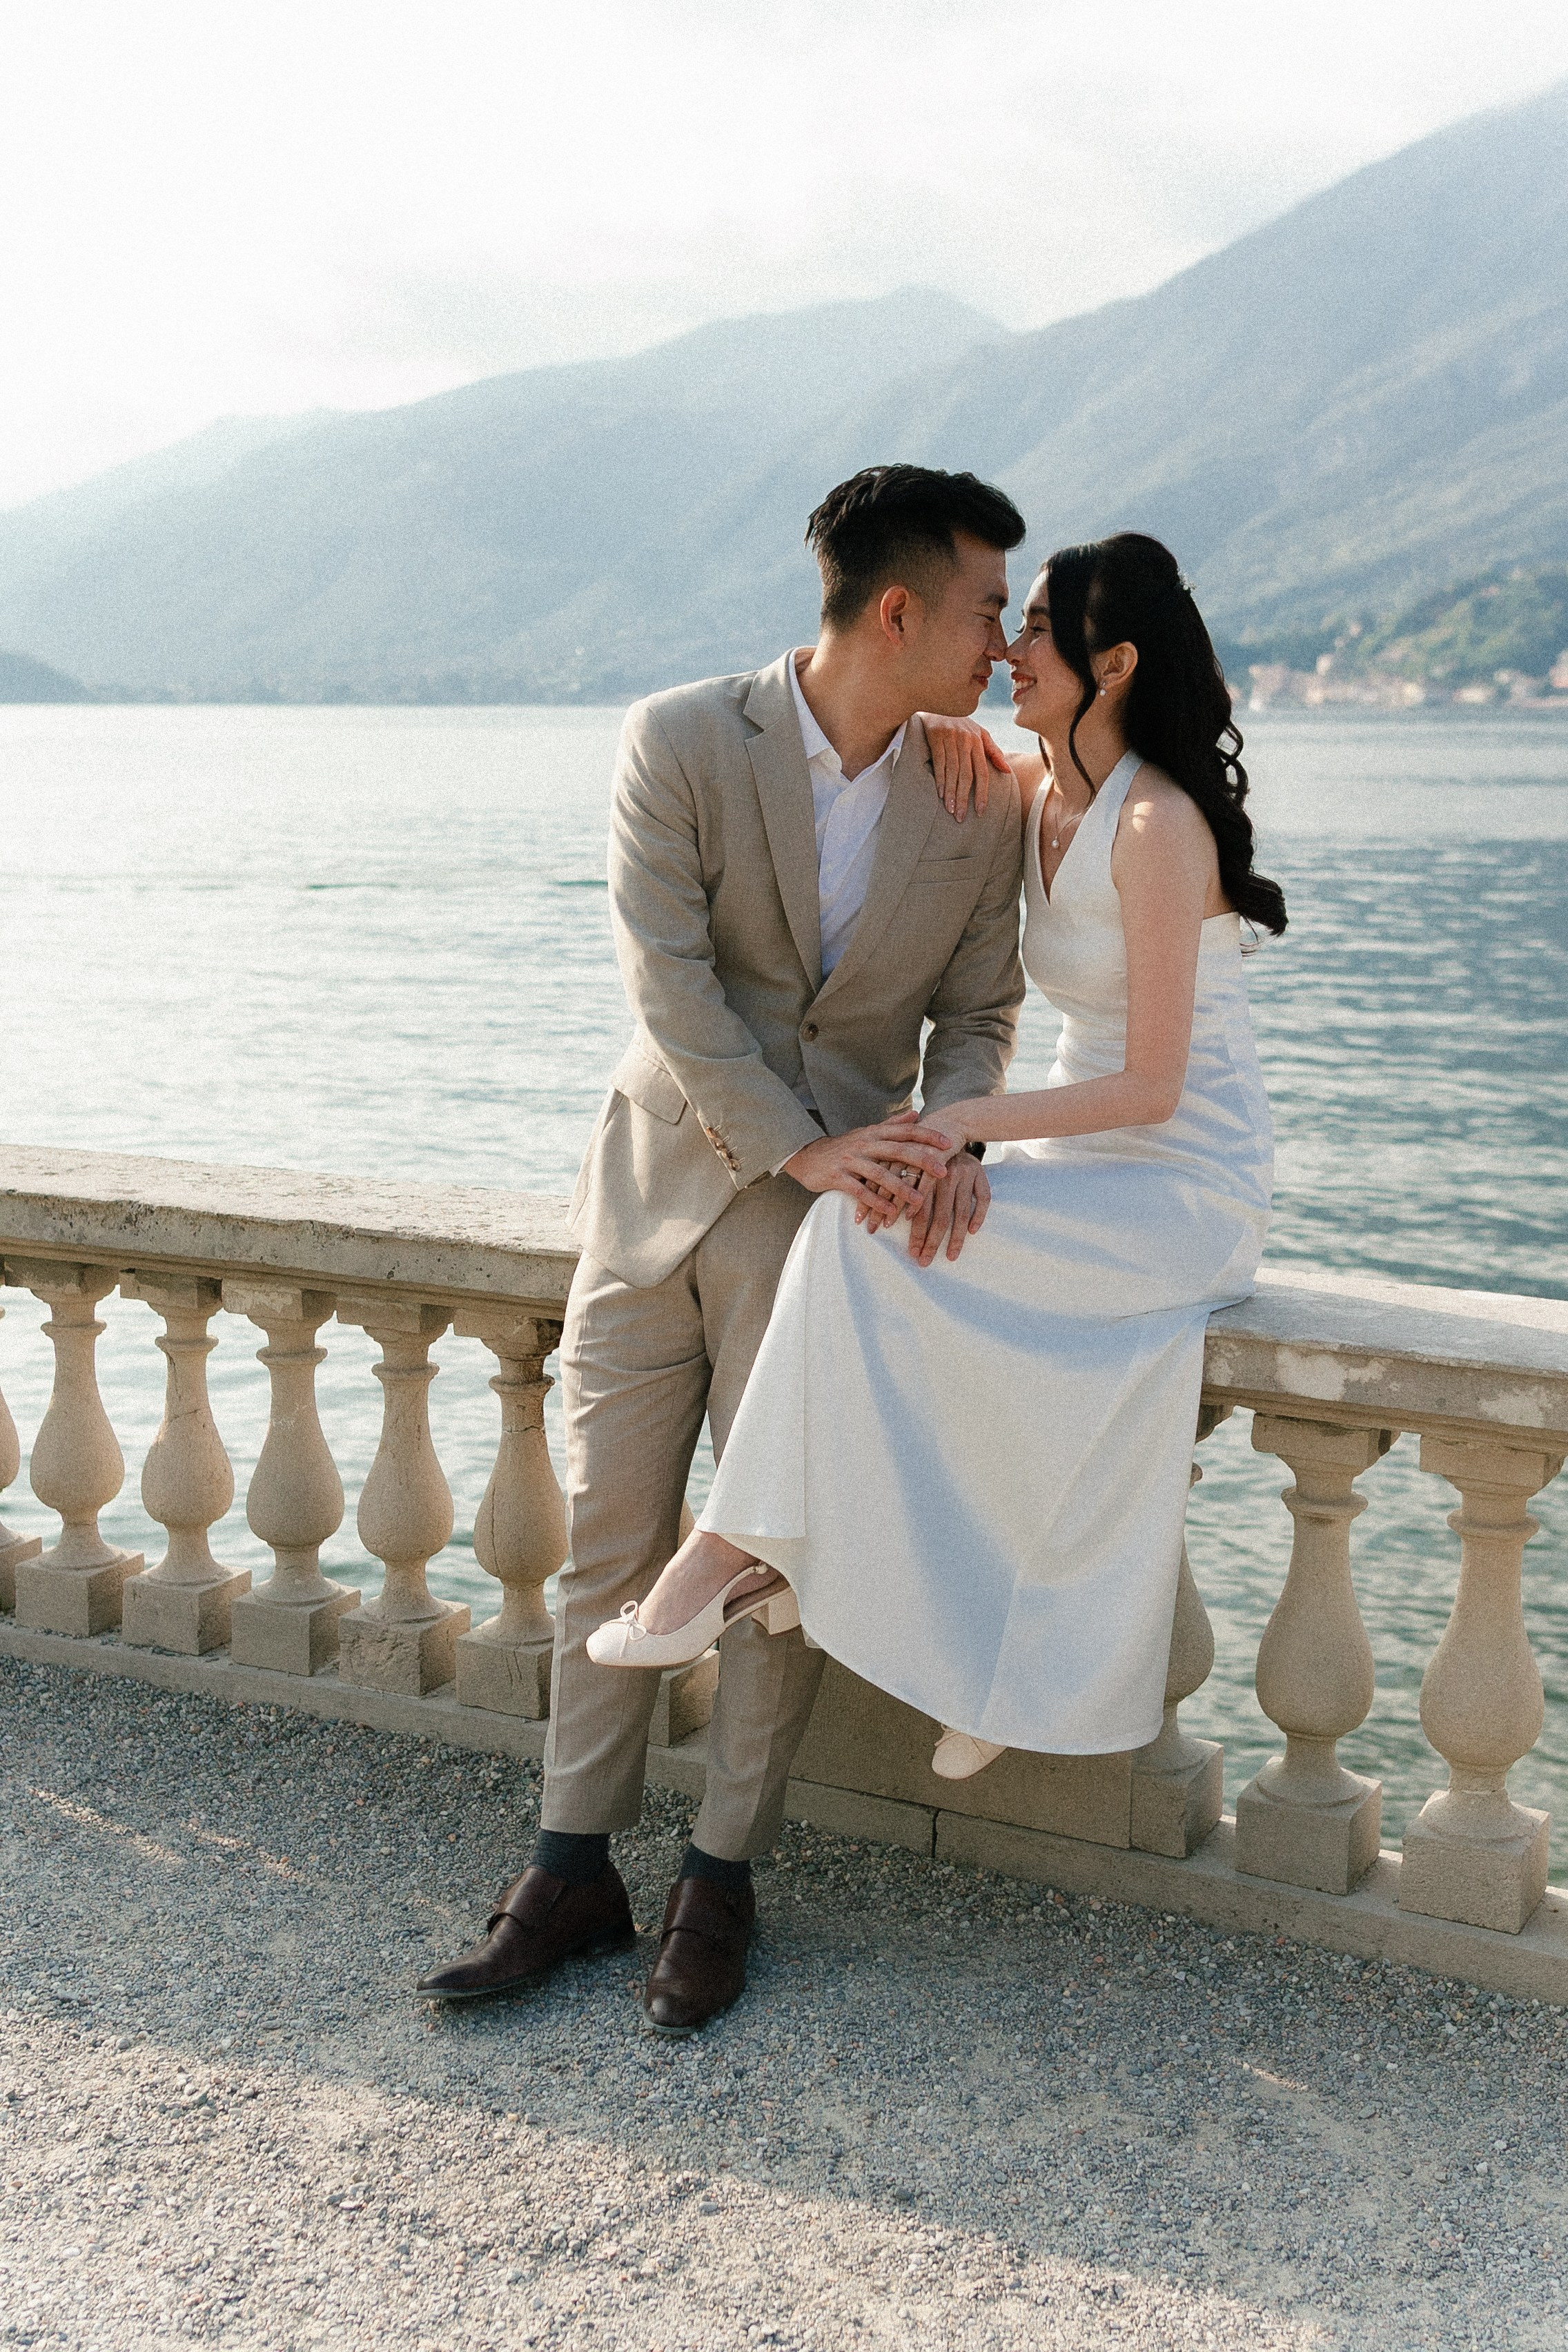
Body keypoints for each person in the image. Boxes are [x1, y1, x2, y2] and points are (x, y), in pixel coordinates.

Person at [418, 464, 1030, 2027]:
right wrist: (798, 1141)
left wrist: (941, 1140)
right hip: (648, 1202)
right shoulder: (682, 736)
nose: (1000, 636)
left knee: (775, 1565)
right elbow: (668, 980)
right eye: (982, 606)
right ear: (896, 608)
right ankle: (566, 1872)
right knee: (609, 1543)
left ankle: (719, 1882)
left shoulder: (977, 791)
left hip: (830, 1242)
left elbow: (978, 1017)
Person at [598, 532, 1284, 1787]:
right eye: (1004, 622)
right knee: (877, 1228)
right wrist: (956, 752)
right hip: (1085, 1166)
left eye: (1035, 631)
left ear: (1114, 661)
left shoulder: (1157, 822)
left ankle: (741, 1551)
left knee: (891, 1225)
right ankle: (850, 1589)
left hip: (1187, 1182)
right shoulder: (1030, 795)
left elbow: (1155, 1084)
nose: (1009, 652)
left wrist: (964, 1126)